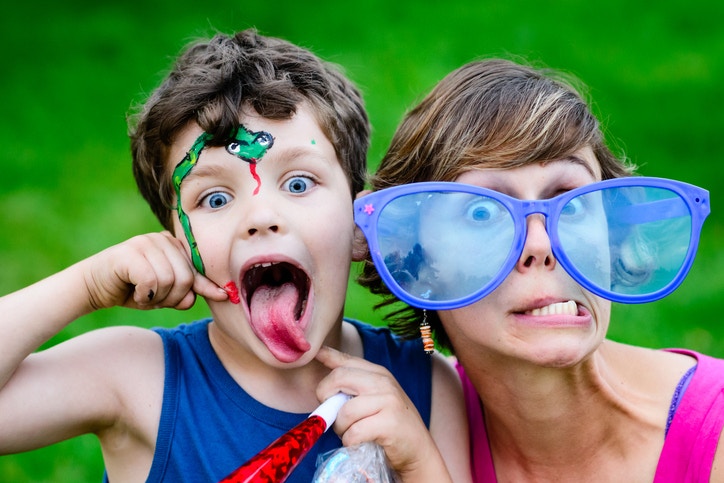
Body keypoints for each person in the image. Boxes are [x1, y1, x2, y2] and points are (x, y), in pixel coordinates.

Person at [0, 29, 470, 482]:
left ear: (359, 224)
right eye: (216, 199)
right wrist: (83, 287)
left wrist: (418, 461)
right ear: (178, 246)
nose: (261, 216)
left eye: (299, 183)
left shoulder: (425, 386)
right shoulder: (138, 381)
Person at [355, 58, 724, 481]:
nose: (541, 243)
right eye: (481, 211)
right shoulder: (410, 432)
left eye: (572, 198)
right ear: (411, 260)